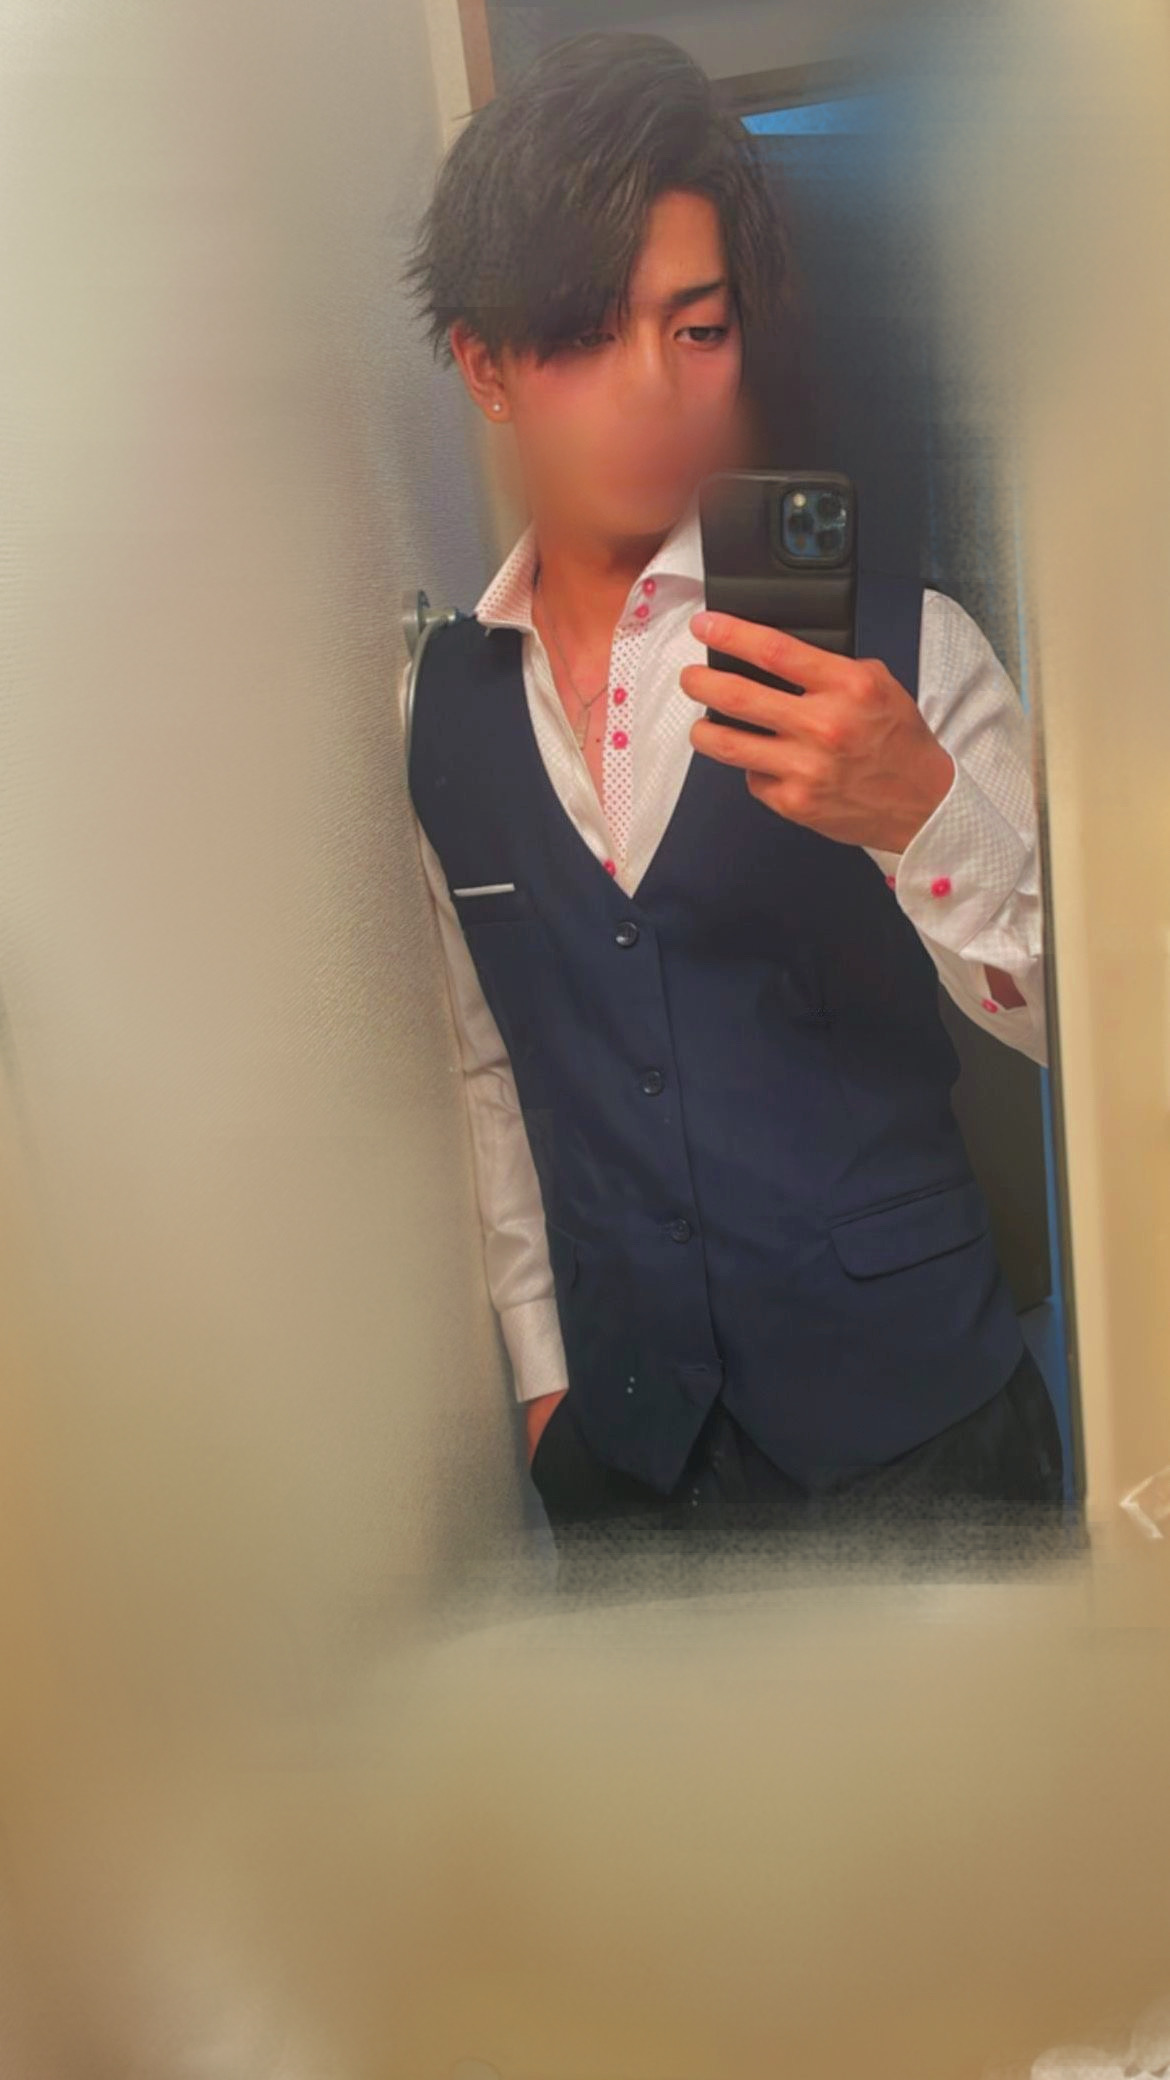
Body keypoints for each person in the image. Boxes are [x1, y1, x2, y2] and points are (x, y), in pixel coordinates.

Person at [399, 29, 1066, 1572]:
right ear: (485, 368)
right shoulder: (444, 713)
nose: (655, 389)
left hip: (924, 1442)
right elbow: (493, 1065)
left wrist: (921, 811)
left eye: (695, 329)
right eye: (585, 334)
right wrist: (543, 1377)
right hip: (637, 1476)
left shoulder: (906, 646)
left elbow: (1091, 1037)